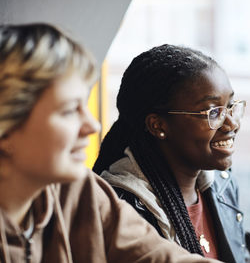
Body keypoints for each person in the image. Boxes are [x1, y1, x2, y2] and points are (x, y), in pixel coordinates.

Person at [0, 23, 223, 263]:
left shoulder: (76, 192)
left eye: (84, 105)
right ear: (6, 131)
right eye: (68, 111)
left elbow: (160, 256)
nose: (92, 126)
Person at [93, 44, 250, 263]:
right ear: (158, 125)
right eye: (213, 112)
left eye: (230, 106)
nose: (231, 123)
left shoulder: (221, 185)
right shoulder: (121, 210)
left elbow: (238, 250)